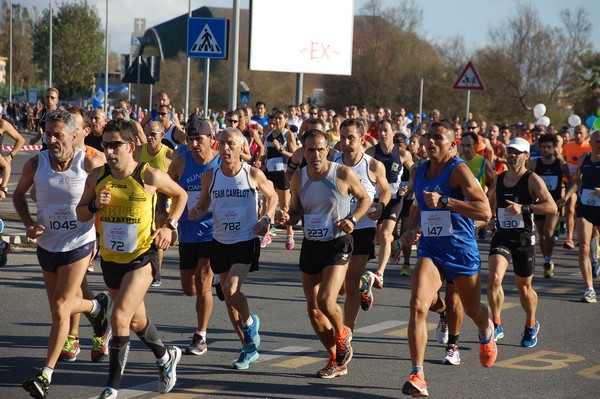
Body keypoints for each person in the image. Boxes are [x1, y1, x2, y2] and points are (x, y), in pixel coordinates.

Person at [76, 119, 188, 399]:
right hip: (112, 261)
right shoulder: (98, 177)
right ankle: (165, 356)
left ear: (131, 146)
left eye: (116, 145)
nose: (110, 151)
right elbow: (80, 213)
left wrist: (169, 226)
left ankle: (111, 388)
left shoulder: (149, 176)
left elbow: (181, 195)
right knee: (136, 321)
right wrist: (94, 205)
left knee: (119, 316)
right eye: (106, 145)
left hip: (143, 256)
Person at [14, 109, 111, 399]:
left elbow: (120, 178)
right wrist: (29, 223)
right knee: (60, 310)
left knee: (61, 306)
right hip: (47, 245)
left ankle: (46, 374)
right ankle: (97, 307)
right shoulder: (35, 164)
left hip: (79, 241)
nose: (52, 139)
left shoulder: (90, 162)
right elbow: (18, 195)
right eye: (48, 134)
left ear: (74, 135)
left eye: (58, 134)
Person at [400, 122, 496, 397]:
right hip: (431, 250)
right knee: (418, 305)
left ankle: (486, 329)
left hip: (461, 252)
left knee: (472, 309)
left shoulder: (459, 170)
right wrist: (411, 229)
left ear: (452, 144)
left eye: (437, 138)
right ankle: (418, 373)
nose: (430, 142)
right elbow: (419, 205)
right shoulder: (418, 171)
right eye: (428, 137)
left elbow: (485, 211)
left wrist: (446, 202)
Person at [276, 129, 371, 379]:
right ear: (303, 152)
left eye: (320, 149)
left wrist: (353, 218)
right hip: (311, 244)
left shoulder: (342, 173)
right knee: (313, 309)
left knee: (327, 300)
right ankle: (335, 359)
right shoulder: (299, 177)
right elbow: (296, 212)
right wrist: (287, 217)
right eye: (310, 150)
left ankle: (343, 335)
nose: (315, 154)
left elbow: (365, 200)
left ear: (328, 149)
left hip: (338, 242)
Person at [189, 127, 277, 370]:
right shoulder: (210, 176)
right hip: (220, 242)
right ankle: (248, 348)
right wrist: (198, 210)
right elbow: (204, 204)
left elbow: (273, 197)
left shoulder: (253, 174)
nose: (225, 148)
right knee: (229, 300)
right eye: (222, 143)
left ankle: (250, 323)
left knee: (230, 288)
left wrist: (267, 219)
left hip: (245, 240)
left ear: (242, 149)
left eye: (231, 144)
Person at [487, 138, 557, 348]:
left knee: (524, 288)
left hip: (523, 238)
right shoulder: (499, 179)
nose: (512, 155)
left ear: (527, 156)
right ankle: (497, 323)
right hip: (502, 235)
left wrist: (524, 208)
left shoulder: (532, 179)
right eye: (509, 151)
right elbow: (491, 200)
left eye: (517, 152)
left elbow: (552, 207)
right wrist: (491, 219)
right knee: (494, 278)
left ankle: (531, 323)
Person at [163, 118, 220, 355]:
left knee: (203, 279)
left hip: (214, 231)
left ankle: (201, 336)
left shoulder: (220, 162)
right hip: (187, 230)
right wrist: (166, 219)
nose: (195, 143)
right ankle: (219, 281)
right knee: (189, 287)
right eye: (191, 139)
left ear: (211, 139)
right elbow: (162, 190)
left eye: (200, 139)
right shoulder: (180, 164)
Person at [57, 106, 109, 362]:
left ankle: (75, 336)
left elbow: (105, 197)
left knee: (72, 286)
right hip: (59, 233)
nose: (68, 131)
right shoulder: (56, 156)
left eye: (73, 127)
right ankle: (99, 319)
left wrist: (99, 235)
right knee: (76, 285)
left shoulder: (94, 160)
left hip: (88, 231)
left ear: (84, 132)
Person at [333, 118, 390, 324]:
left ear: (362, 138)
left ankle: (347, 331)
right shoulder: (332, 160)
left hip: (363, 228)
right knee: (339, 287)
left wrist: (381, 206)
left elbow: (385, 190)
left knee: (350, 279)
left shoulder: (373, 165)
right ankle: (364, 286)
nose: (346, 142)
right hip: (336, 229)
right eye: (343, 138)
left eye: (351, 138)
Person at [363, 119, 413, 289]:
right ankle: (395, 243)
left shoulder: (402, 154)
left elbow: (414, 173)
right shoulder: (370, 152)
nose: (382, 134)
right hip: (375, 200)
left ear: (393, 133)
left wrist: (408, 187)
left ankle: (379, 274)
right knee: (380, 237)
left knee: (384, 235)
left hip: (394, 200)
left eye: (386, 131)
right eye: (380, 131)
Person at [528, 134, 572, 277]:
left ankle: (547, 260)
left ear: (554, 148)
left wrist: (566, 197)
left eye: (549, 147)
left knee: (549, 232)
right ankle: (547, 258)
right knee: (541, 235)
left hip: (554, 204)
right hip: (539, 205)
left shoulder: (560, 164)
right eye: (544, 147)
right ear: (540, 148)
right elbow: (526, 181)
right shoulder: (534, 164)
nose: (546, 150)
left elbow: (570, 181)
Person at [565, 130, 600, 302]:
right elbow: (577, 181)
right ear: (591, 142)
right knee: (584, 246)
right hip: (585, 207)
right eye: (598, 141)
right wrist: (565, 197)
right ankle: (589, 288)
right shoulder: (584, 159)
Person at [261, 109, 297, 249]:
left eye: (280, 118)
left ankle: (289, 232)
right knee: (267, 202)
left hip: (283, 173)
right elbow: (265, 154)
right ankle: (267, 233)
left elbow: (294, 155)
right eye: (275, 118)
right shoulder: (269, 134)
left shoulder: (287, 134)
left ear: (286, 120)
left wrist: (281, 148)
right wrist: (260, 160)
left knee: (284, 207)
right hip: (269, 173)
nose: (277, 121)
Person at [562, 124, 591, 249]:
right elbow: (564, 161)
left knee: (583, 212)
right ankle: (569, 238)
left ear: (586, 134)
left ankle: (584, 237)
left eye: (581, 133)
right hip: (571, 182)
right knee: (570, 208)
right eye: (576, 133)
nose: (578, 135)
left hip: (586, 184)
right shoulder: (567, 146)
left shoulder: (590, 147)